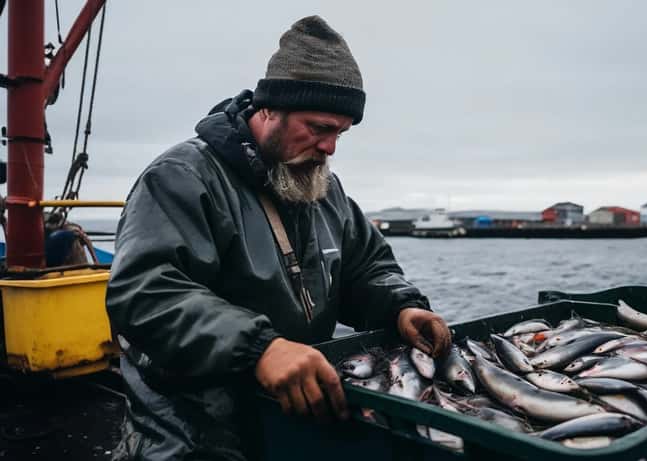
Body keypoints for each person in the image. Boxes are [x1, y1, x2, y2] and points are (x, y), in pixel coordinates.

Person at [106, 16, 451, 461]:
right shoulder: (182, 178)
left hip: (290, 408)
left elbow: (366, 267)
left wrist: (400, 305)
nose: (330, 148)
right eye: (319, 128)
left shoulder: (320, 185)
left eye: (340, 133)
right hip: (190, 424)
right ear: (269, 110)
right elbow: (145, 292)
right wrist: (259, 348)